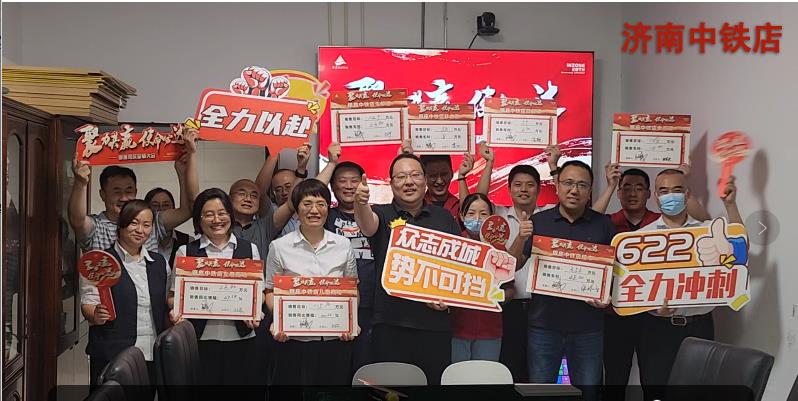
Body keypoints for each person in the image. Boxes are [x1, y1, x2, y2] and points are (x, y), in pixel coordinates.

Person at [636, 171, 744, 400]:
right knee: (655, 392)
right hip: (657, 329)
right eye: (664, 191)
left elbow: (739, 251)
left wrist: (731, 206)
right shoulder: (641, 238)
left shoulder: (707, 232)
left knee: (697, 393)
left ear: (687, 194)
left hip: (700, 327)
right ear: (655, 196)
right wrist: (653, 308)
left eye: (677, 190)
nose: (670, 196)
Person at [354, 153, 461, 384]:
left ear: (425, 180)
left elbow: (457, 266)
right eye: (401, 177)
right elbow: (367, 225)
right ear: (391, 183)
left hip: (435, 326)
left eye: (415, 175)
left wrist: (449, 298)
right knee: (392, 391)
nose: (409, 182)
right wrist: (360, 203)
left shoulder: (444, 218)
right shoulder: (382, 213)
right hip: (391, 324)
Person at [516, 160, 615, 389]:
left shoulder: (604, 225)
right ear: (557, 185)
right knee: (541, 391)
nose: (574, 190)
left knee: (588, 391)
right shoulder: (538, 222)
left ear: (589, 191)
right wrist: (520, 238)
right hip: (544, 326)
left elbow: (614, 272)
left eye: (582, 185)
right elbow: (515, 263)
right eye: (568, 183)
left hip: (588, 328)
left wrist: (608, 295)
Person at [469, 142, 558, 382]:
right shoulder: (498, 215)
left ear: (539, 189)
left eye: (530, 185)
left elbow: (572, 199)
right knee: (509, 366)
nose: (524, 190)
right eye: (518, 185)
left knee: (540, 369)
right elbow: (479, 199)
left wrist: (553, 165)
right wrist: (489, 163)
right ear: (509, 189)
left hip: (543, 307)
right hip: (508, 306)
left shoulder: (550, 216)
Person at [265, 179, 359, 385]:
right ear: (296, 210)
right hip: (294, 340)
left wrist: (350, 321)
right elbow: (270, 291)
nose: (314, 210)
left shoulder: (343, 245)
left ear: (328, 208)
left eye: (321, 204)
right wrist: (279, 320)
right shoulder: (279, 247)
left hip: (335, 339)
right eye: (307, 204)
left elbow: (352, 289)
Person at [169, 188, 262, 386]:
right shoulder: (186, 252)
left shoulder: (249, 249)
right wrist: (176, 310)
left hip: (242, 339)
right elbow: (173, 296)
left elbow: (258, 293)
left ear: (230, 215)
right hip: (200, 340)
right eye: (209, 214)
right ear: (198, 219)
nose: (216, 220)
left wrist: (255, 311)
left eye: (222, 213)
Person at [81, 200, 169, 389]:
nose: (140, 230)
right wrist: (95, 314)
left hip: (150, 352)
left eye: (146, 225)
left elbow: (166, 302)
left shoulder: (159, 263)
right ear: (121, 224)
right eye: (134, 223)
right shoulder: (101, 261)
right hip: (112, 353)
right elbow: (88, 303)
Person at [69, 128, 199, 253]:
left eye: (129, 191)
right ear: (103, 194)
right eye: (117, 192)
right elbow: (77, 220)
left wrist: (183, 172)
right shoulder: (96, 226)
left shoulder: (152, 221)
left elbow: (187, 210)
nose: (124, 198)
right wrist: (80, 183)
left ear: (136, 192)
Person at [325, 160, 376, 374]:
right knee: (336, 367)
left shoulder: (376, 214)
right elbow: (309, 191)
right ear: (333, 186)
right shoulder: (325, 215)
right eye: (342, 181)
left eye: (354, 181)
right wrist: (331, 163)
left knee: (366, 367)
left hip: (372, 304)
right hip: (335, 303)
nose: (348, 186)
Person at [450, 193, 509, 363]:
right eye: (471, 213)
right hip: (458, 328)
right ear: (462, 216)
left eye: (483, 214)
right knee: (457, 375)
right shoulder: (453, 244)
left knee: (486, 377)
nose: (477, 218)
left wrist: (497, 296)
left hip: (489, 329)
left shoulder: (499, 249)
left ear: (491, 217)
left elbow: (510, 288)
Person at [144, 187, 191, 269]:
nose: (161, 209)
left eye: (166, 205)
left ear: (174, 209)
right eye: (155, 205)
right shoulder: (142, 239)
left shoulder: (188, 241)